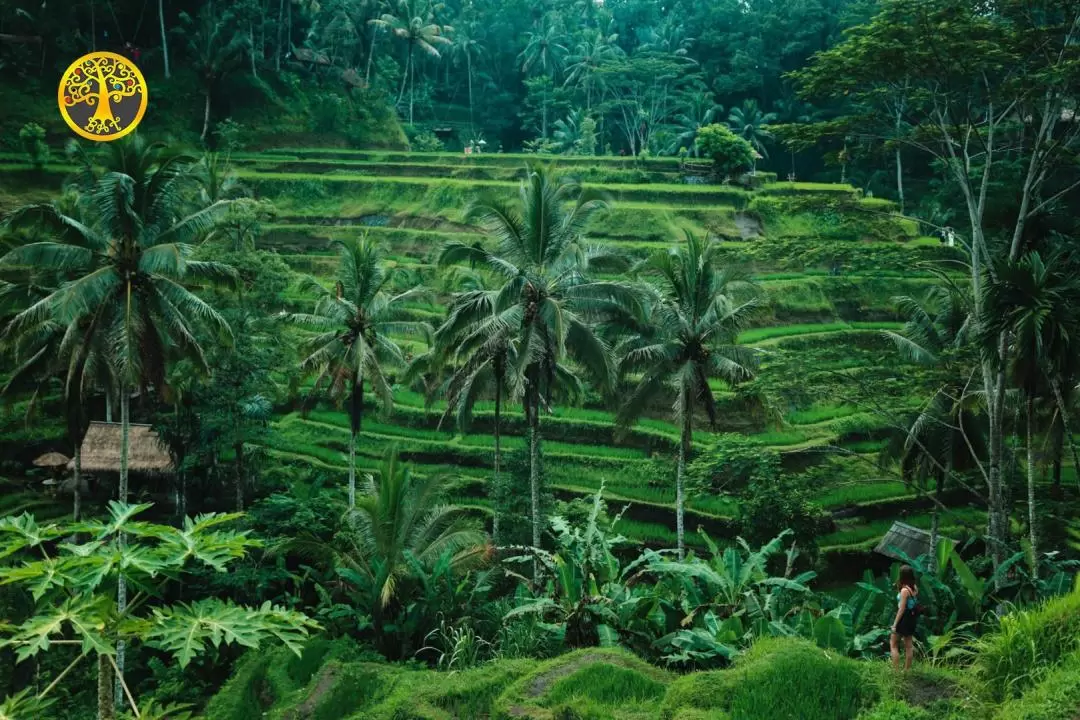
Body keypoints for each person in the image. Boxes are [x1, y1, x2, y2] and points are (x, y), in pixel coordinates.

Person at [890, 565, 919, 671]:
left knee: (893, 644)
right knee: (908, 646)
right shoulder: (914, 587)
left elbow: (901, 609)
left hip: (904, 618)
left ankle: (896, 671)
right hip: (912, 618)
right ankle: (906, 671)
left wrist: (894, 624)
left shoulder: (904, 591)